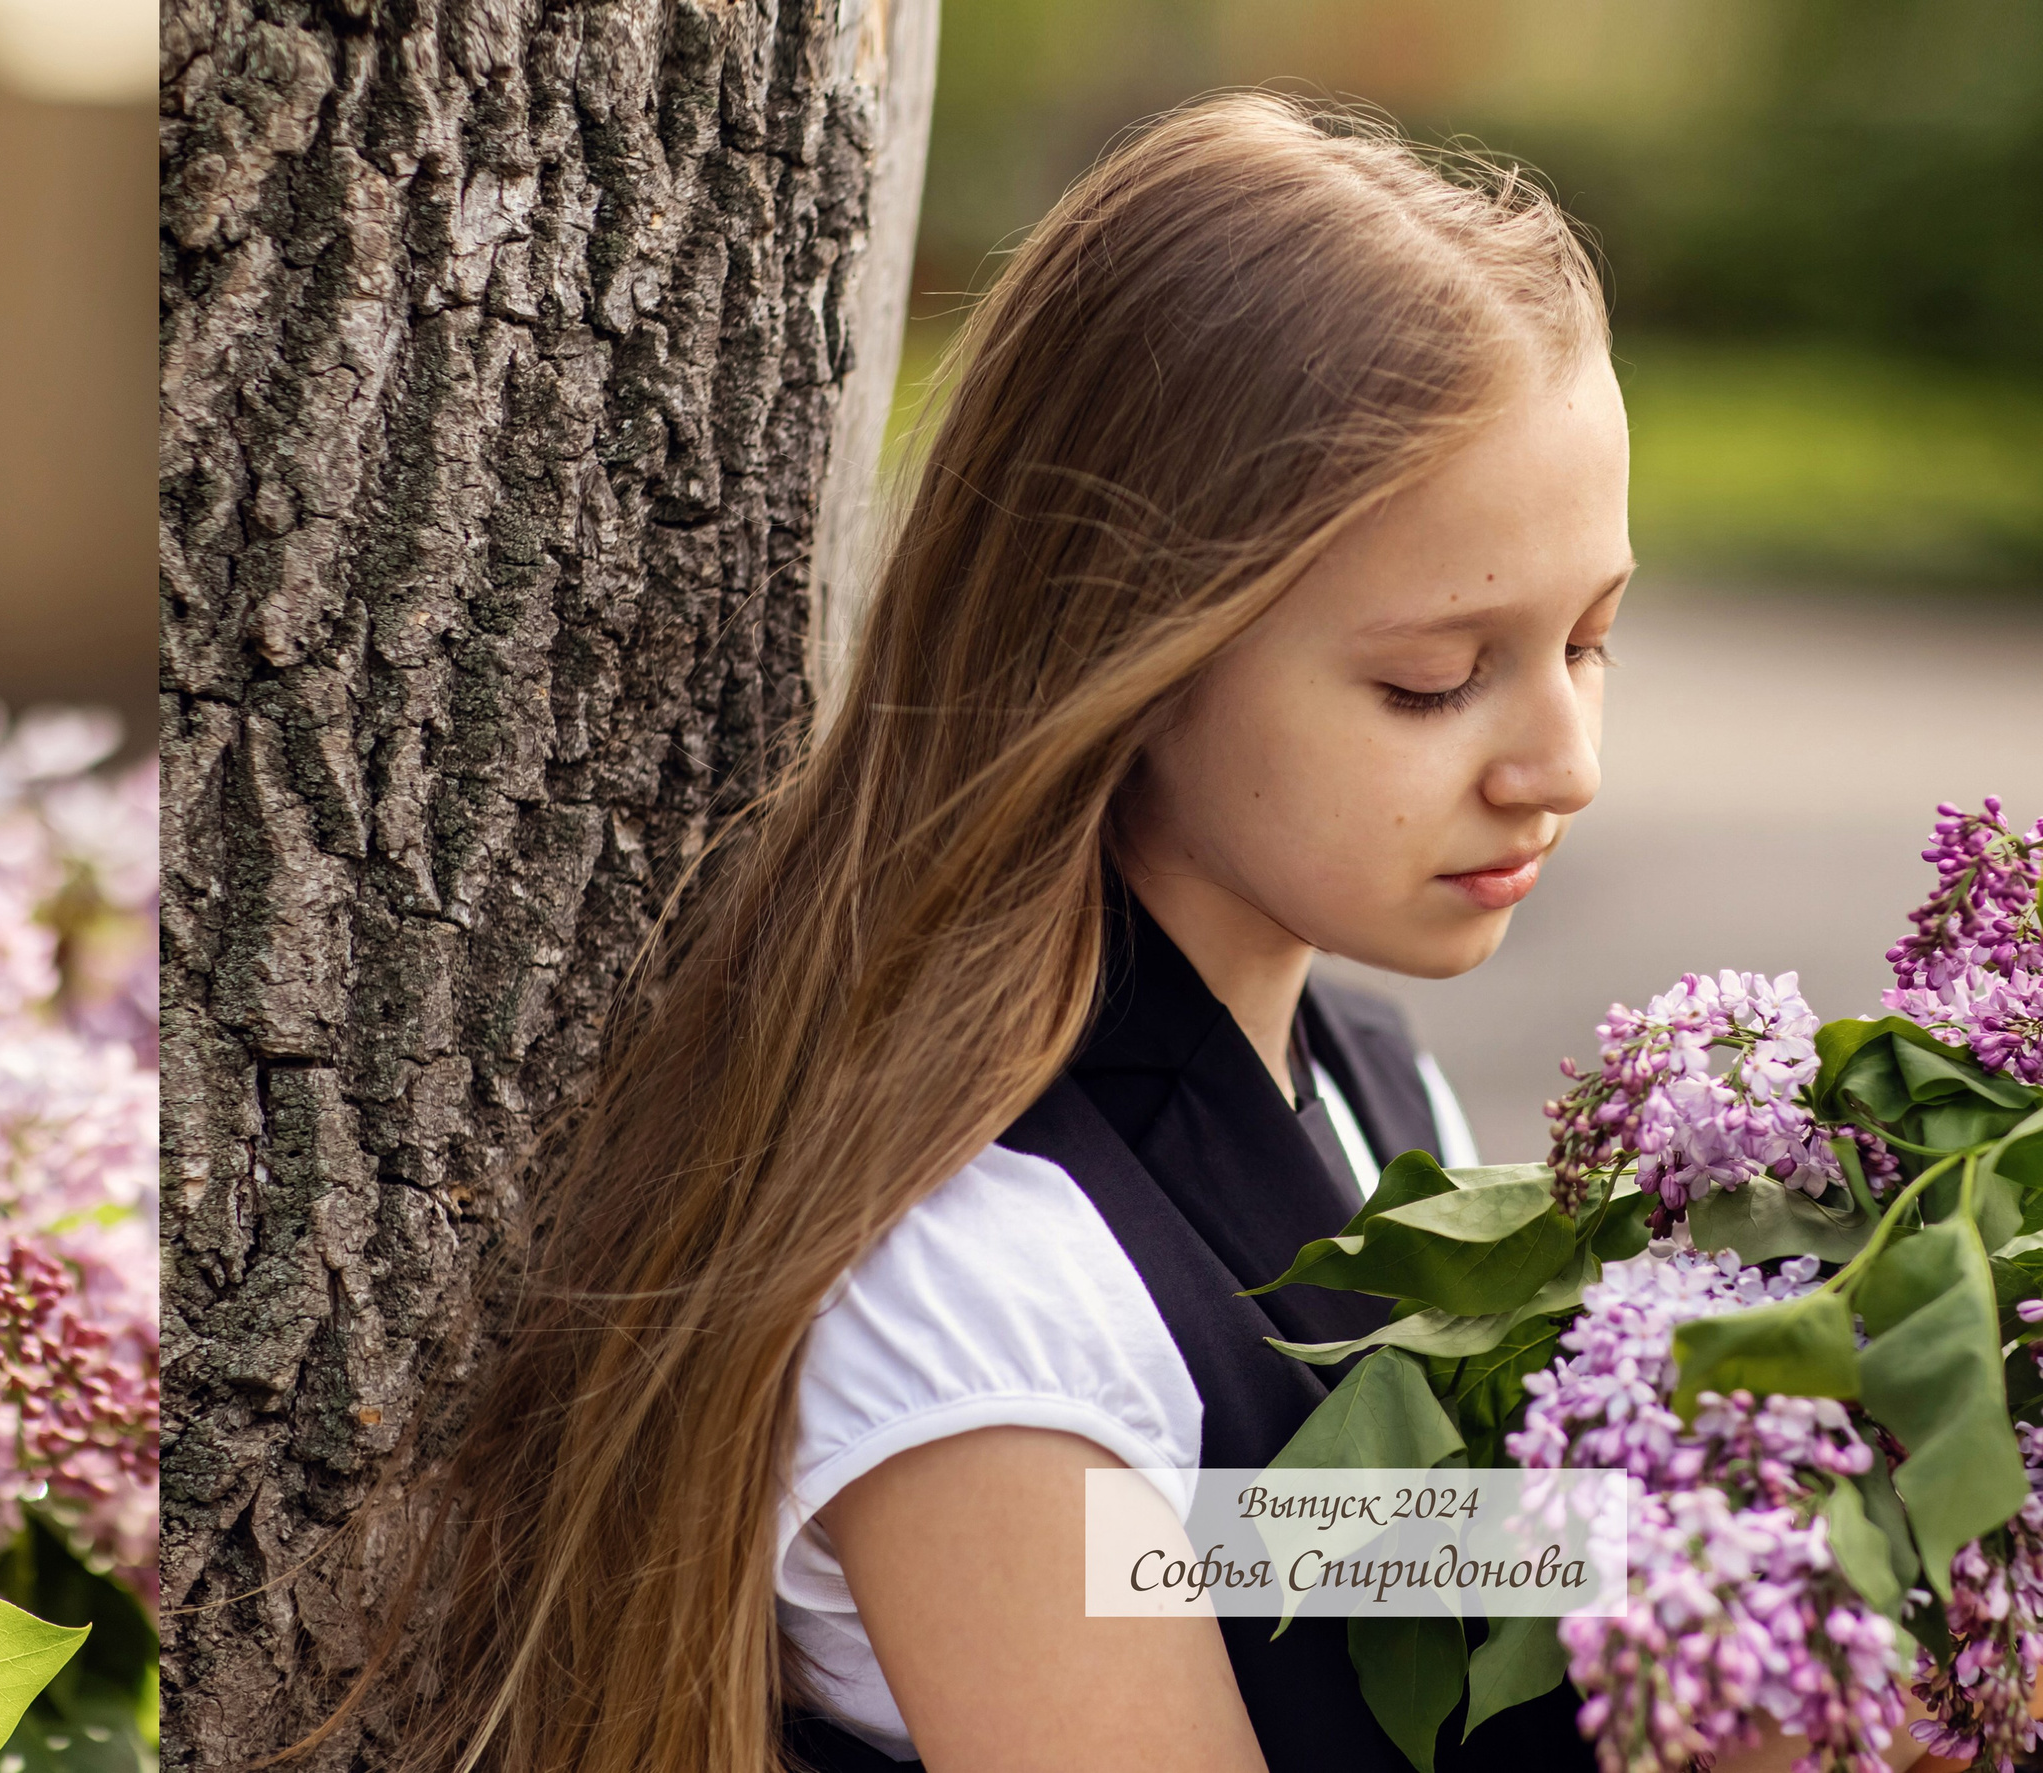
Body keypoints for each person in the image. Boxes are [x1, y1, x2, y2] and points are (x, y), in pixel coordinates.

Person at [371, 92, 1919, 1773]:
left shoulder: (1371, 1095)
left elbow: (1301, 1561)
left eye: (1591, 640)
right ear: (1136, 648)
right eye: (1433, 680)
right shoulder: (982, 1303)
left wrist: (1835, 1570)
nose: (1565, 764)